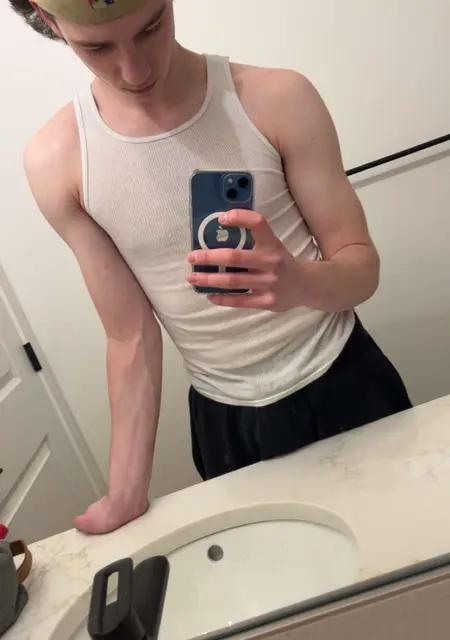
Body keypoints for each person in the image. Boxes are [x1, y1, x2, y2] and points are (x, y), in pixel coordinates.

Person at [11, 0, 412, 535]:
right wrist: (126, 492)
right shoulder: (58, 160)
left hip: (346, 377)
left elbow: (362, 268)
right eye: (98, 48)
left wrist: (300, 282)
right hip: (225, 420)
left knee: (406, 551)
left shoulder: (276, 97)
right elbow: (129, 334)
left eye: (151, 27)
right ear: (48, 20)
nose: (135, 70)